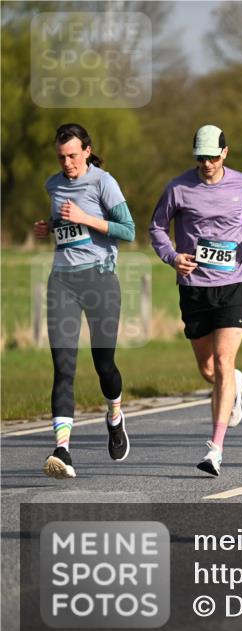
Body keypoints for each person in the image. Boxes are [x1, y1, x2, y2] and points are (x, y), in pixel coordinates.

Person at [150, 125, 242, 476]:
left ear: (225, 153)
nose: (207, 163)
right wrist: (172, 257)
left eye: (213, 157)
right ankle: (235, 383)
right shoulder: (178, 187)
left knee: (221, 361)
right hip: (194, 287)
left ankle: (215, 449)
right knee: (209, 370)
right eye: (201, 157)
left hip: (233, 284)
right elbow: (156, 227)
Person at [34, 124, 135, 479]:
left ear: (87, 151)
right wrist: (50, 227)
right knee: (63, 366)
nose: (67, 163)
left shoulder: (103, 182)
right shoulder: (53, 183)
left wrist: (86, 219)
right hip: (62, 280)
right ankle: (62, 450)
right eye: (61, 157)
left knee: (103, 364)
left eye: (73, 156)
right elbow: (65, 228)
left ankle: (115, 415)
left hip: (100, 280)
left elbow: (129, 230)